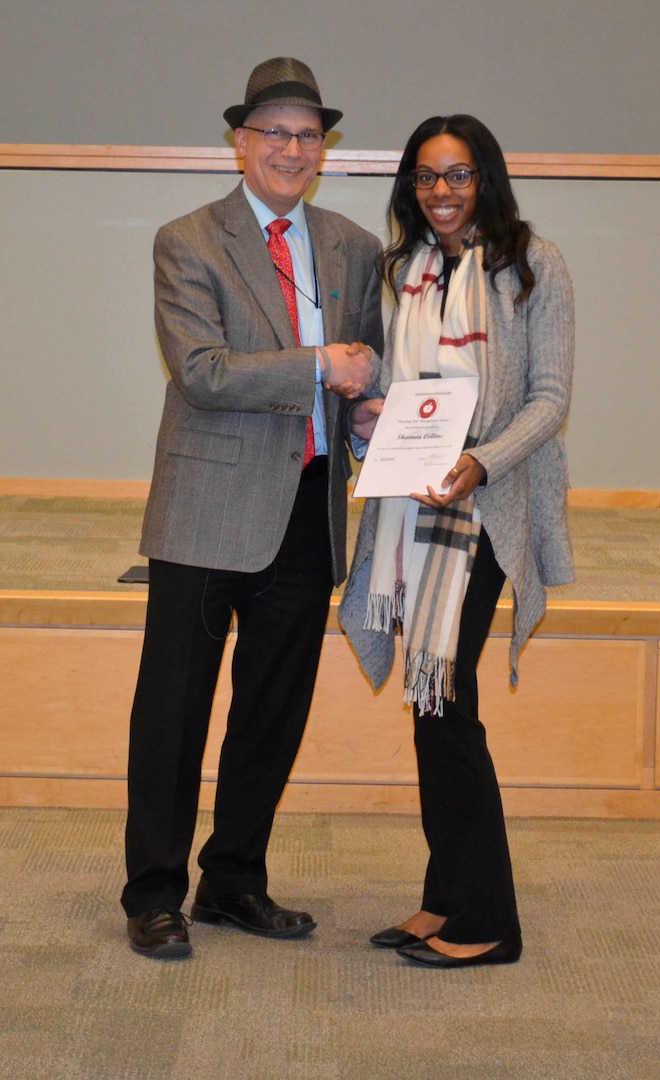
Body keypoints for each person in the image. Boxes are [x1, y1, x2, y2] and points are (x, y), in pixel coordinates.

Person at [122, 56, 384, 959]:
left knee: (272, 711)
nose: (291, 148)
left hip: (309, 510)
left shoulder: (355, 246)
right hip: (206, 510)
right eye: (273, 132)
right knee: (173, 711)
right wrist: (320, 365)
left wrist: (372, 414)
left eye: (308, 134)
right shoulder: (187, 239)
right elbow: (201, 373)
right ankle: (153, 892)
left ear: (325, 148)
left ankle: (233, 881)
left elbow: (366, 373)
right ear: (239, 143)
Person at [340, 114, 574, 969]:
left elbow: (549, 400)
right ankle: (446, 899)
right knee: (432, 706)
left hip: (484, 513)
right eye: (427, 177)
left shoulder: (532, 267)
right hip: (409, 516)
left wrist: (479, 461)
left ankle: (490, 919)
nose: (442, 192)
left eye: (460, 175)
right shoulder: (398, 270)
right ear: (411, 186)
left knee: (450, 703)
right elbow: (395, 394)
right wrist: (369, 422)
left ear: (488, 179)